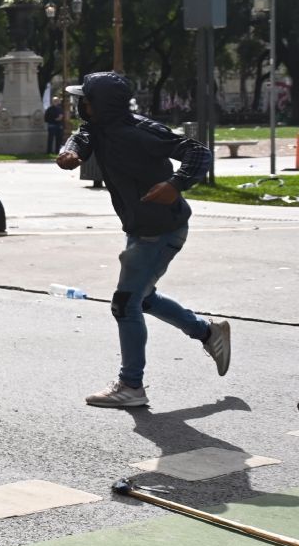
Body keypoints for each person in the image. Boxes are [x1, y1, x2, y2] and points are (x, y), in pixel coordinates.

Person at [56, 71, 230, 407]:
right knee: (142, 298)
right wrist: (70, 153)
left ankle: (131, 386)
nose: (80, 106)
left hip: (162, 230)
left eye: (84, 100)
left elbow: (198, 153)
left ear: (97, 105)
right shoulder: (98, 128)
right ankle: (208, 332)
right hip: (141, 229)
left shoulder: (142, 131)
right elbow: (81, 138)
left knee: (125, 304)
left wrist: (175, 184)